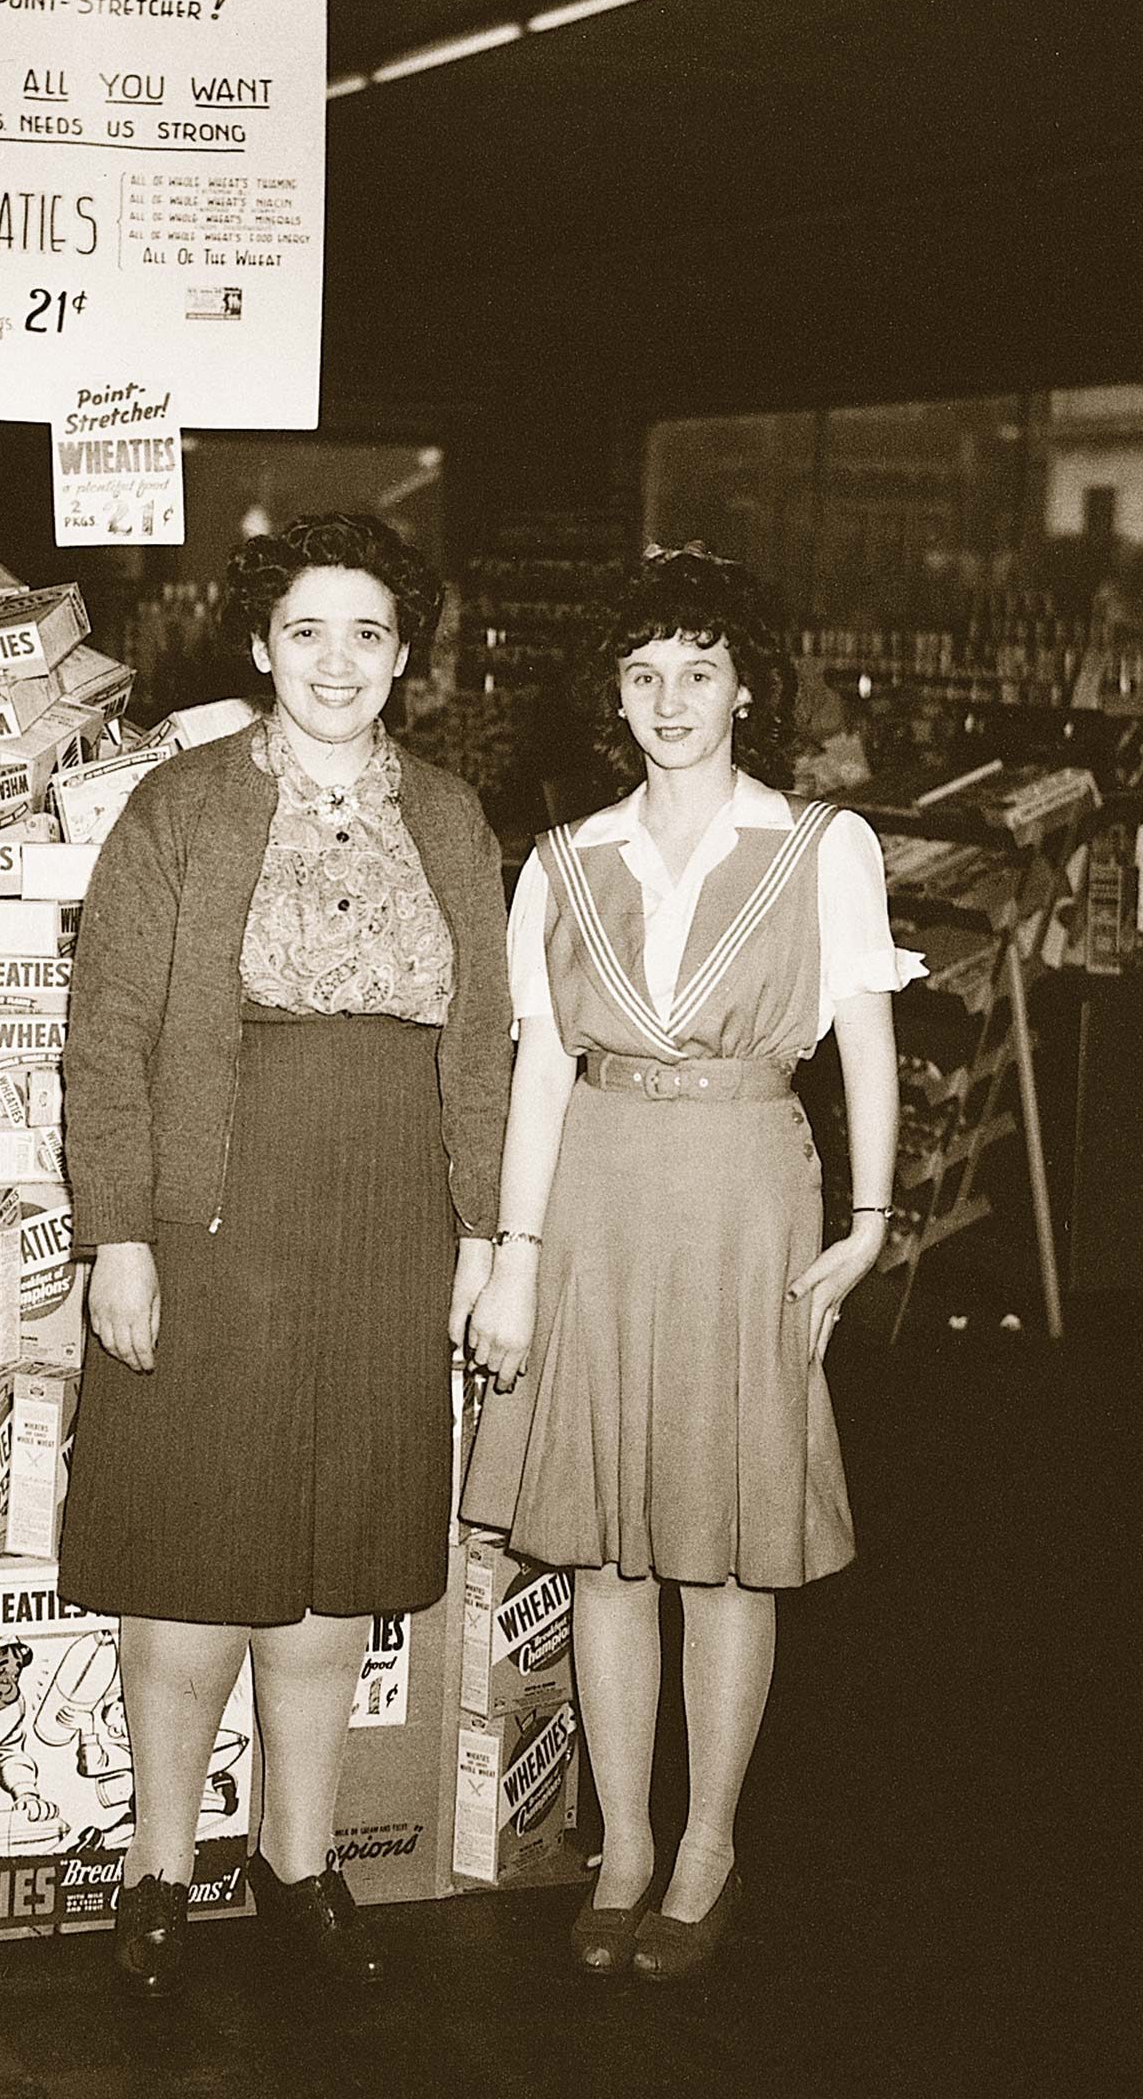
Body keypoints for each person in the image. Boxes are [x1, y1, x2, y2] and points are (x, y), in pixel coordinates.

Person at [60, 512, 511, 1999]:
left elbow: (482, 1052)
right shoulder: (178, 808)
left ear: (405, 657)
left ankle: (303, 1865)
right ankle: (157, 1871)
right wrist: (117, 1235)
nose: (338, 660)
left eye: (370, 632)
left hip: (390, 1218)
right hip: (218, 1212)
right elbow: (107, 1040)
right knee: (196, 1554)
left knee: (333, 1556)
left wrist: (484, 1226)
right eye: (307, 630)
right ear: (259, 645)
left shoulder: (450, 815)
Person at [457, 543, 920, 1981]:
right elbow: (539, 1080)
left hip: (744, 1201)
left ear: (743, 689)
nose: (671, 698)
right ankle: (629, 1842)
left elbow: (865, 1043)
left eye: (699, 671)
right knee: (604, 1546)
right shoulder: (560, 863)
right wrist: (516, 1261)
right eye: (645, 672)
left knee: (724, 1548)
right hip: (595, 1193)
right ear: (615, 692)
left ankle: (708, 1840)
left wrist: (868, 1223)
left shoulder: (819, 846)